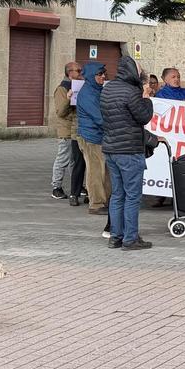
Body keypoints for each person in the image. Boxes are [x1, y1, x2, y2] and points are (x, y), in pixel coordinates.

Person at [101, 55, 155, 251]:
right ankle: (130, 239)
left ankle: (116, 236)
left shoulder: (108, 89)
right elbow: (144, 116)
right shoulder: (132, 92)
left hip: (111, 148)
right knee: (132, 196)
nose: (141, 72)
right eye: (139, 69)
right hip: (129, 150)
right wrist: (147, 98)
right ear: (132, 71)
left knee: (117, 194)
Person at [76, 62, 112, 218]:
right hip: (91, 138)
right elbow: (100, 118)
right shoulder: (88, 94)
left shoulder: (97, 90)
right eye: (100, 74)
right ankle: (96, 204)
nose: (103, 76)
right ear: (92, 76)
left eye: (104, 73)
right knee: (96, 171)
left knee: (105, 171)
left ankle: (105, 200)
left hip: (100, 136)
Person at [51, 61, 82, 200]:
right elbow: (61, 112)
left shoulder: (78, 86)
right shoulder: (62, 89)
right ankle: (56, 187)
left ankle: (76, 186)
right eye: (78, 71)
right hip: (66, 130)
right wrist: (69, 99)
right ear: (70, 73)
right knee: (62, 158)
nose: (80, 73)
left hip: (76, 130)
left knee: (74, 161)